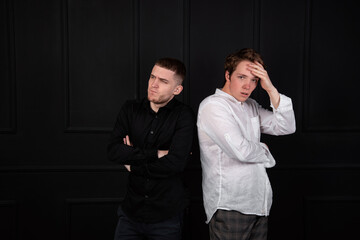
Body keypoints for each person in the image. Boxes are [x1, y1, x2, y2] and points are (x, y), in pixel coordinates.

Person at [197, 48, 296, 240]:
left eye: (254, 80)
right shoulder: (213, 106)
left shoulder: (250, 106)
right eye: (241, 77)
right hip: (230, 205)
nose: (247, 86)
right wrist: (263, 150)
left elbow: (286, 126)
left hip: (259, 203)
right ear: (227, 75)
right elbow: (240, 151)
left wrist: (270, 88)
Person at [108, 58, 195, 240]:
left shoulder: (184, 116)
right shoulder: (130, 109)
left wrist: (133, 164)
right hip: (130, 213)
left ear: (177, 89)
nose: (154, 85)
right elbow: (114, 151)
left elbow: (175, 163)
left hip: (166, 217)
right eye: (152, 77)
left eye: (163, 81)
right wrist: (155, 153)